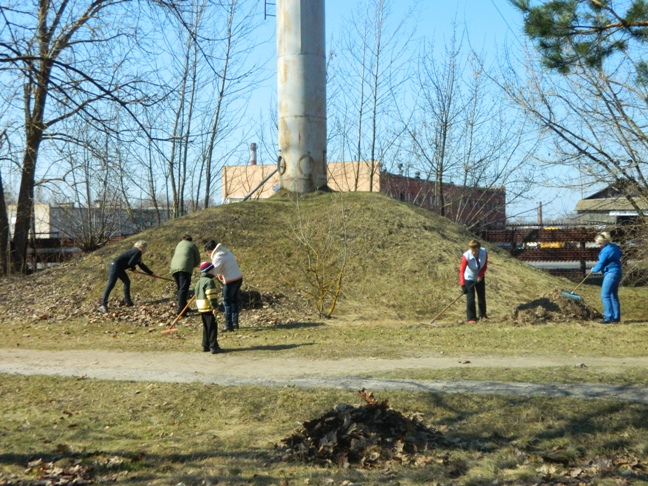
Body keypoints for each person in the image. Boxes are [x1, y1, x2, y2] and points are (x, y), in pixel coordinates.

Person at [98, 240, 157, 313]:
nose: (146, 250)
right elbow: (130, 263)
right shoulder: (137, 252)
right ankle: (103, 305)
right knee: (111, 284)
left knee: (127, 281)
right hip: (115, 265)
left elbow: (141, 265)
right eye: (146, 248)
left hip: (118, 267)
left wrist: (151, 273)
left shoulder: (136, 253)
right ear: (142, 247)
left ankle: (128, 302)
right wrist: (133, 269)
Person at [204, 240, 243, 332]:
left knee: (227, 302)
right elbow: (226, 266)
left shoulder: (218, 257)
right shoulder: (226, 251)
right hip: (238, 278)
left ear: (211, 251)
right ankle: (235, 322)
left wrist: (204, 277)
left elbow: (213, 271)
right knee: (234, 301)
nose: (209, 255)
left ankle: (228, 325)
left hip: (230, 281)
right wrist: (221, 274)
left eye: (208, 253)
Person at [591, 231, 623, 323]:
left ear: (603, 242)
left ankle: (608, 317)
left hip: (610, 273)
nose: (598, 245)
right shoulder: (614, 246)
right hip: (618, 272)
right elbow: (620, 254)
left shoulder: (605, 251)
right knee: (613, 295)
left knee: (605, 295)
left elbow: (601, 264)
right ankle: (616, 317)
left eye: (599, 244)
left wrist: (594, 270)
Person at [169, 234, 201, 316]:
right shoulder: (192, 245)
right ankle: (181, 310)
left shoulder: (178, 245)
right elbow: (197, 259)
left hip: (174, 268)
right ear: (190, 240)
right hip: (185, 268)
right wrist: (193, 265)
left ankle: (185, 307)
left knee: (180, 288)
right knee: (184, 289)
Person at [459, 239, 488, 324]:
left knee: (481, 296)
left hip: (479, 276)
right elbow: (462, 271)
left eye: (475, 250)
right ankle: (471, 318)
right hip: (469, 277)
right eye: (472, 250)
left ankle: (482, 315)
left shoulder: (484, 252)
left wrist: (480, 275)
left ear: (479, 248)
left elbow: (485, 266)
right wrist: (463, 285)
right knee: (471, 298)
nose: (474, 252)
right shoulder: (466, 256)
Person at [194, 261, 221, 353]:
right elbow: (211, 296)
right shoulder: (209, 282)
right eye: (212, 269)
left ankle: (205, 345)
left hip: (201, 306)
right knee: (213, 327)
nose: (213, 271)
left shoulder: (199, 281)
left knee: (206, 327)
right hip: (208, 306)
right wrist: (215, 307)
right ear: (208, 270)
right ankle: (213, 346)